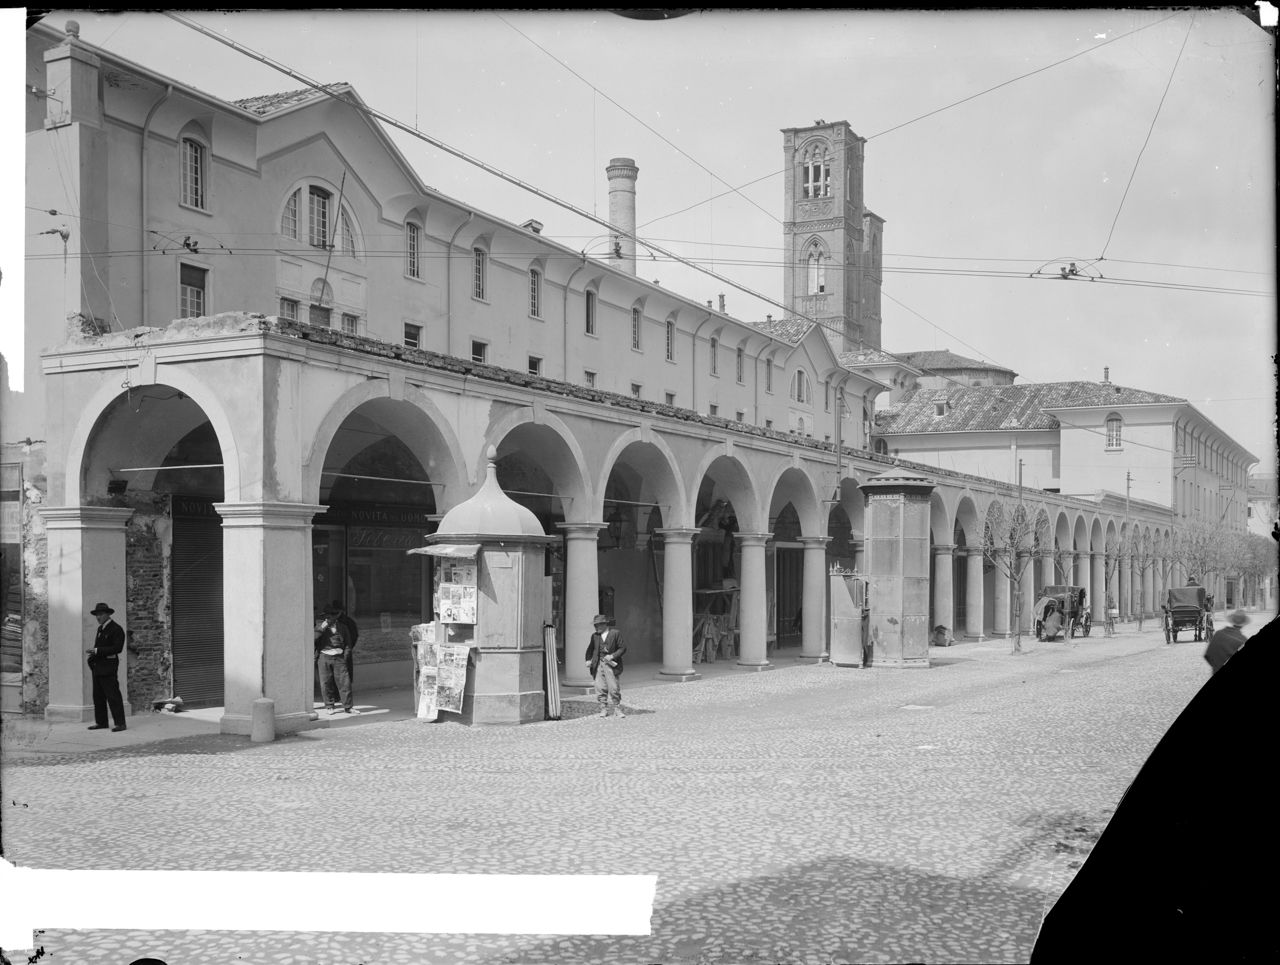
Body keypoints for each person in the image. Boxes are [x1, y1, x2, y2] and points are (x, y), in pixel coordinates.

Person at [85, 601, 127, 732]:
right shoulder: (101, 628)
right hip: (98, 667)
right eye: (96, 615)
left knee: (113, 695)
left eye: (101, 614)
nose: (98, 617)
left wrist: (96, 651)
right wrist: (92, 660)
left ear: (108, 614)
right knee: (98, 696)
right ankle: (102, 722)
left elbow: (117, 648)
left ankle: (120, 723)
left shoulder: (116, 629)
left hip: (108, 667)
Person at [315, 604, 357, 715]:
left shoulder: (342, 627)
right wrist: (321, 628)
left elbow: (348, 643)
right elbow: (313, 639)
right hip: (324, 656)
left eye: (329, 617)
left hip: (339, 657)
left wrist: (345, 656)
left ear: (334, 617)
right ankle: (329, 706)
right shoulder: (320, 627)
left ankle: (348, 707)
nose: (327, 619)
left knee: (345, 683)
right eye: (325, 617)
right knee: (326, 683)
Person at [585, 613, 626, 719]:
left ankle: (617, 708)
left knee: (613, 687)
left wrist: (612, 656)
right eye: (595, 625)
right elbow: (589, 650)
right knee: (600, 687)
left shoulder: (615, 634)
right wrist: (588, 660)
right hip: (598, 664)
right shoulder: (595, 636)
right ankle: (603, 707)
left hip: (610, 665)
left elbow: (622, 648)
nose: (595, 627)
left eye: (597, 625)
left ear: (604, 625)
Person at [1204, 609, 1248, 675]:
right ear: (1243, 624)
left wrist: (1216, 667)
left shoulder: (1218, 634)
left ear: (1232, 621)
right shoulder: (1243, 640)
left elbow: (1208, 655)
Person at [331, 599, 360, 690]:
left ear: (341, 611)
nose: (335, 613)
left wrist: (347, 649)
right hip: (331, 652)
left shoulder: (348, 622)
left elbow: (353, 637)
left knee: (343, 674)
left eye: (337, 611)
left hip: (343, 651)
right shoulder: (329, 621)